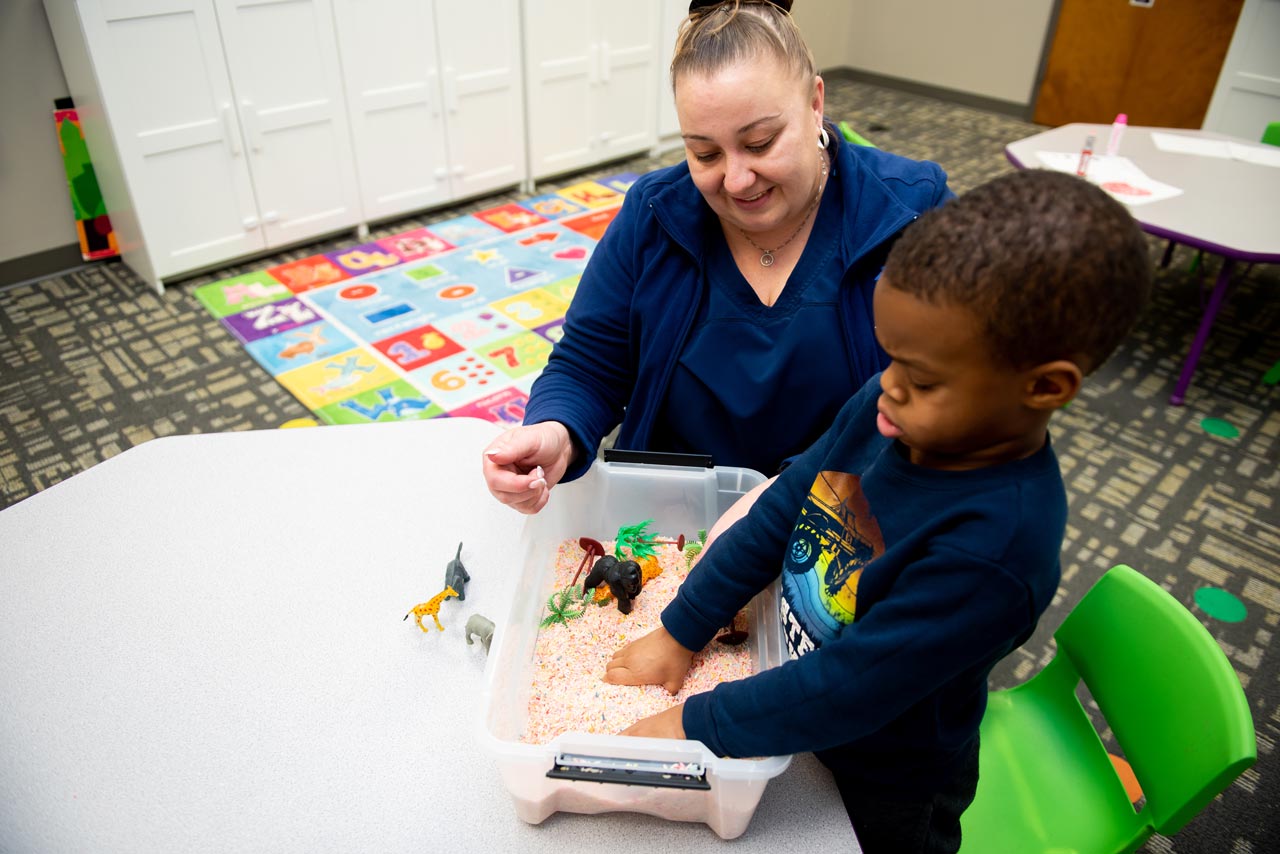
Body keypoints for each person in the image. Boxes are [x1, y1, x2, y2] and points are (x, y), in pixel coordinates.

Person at [602, 168, 1153, 853]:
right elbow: (780, 511)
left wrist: (693, 725)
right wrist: (682, 629)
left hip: (884, 784)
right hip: (793, 711)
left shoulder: (995, 550)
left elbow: (849, 689)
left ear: (1043, 387)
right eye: (890, 357)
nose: (885, 386)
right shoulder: (888, 408)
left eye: (920, 379)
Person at [482, 0, 953, 530]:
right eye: (704, 154)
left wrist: (784, 503)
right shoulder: (656, 213)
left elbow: (951, 398)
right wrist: (556, 431)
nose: (735, 181)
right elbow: (591, 361)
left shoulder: (911, 212)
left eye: (760, 143)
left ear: (816, 103)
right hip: (671, 524)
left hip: (846, 525)